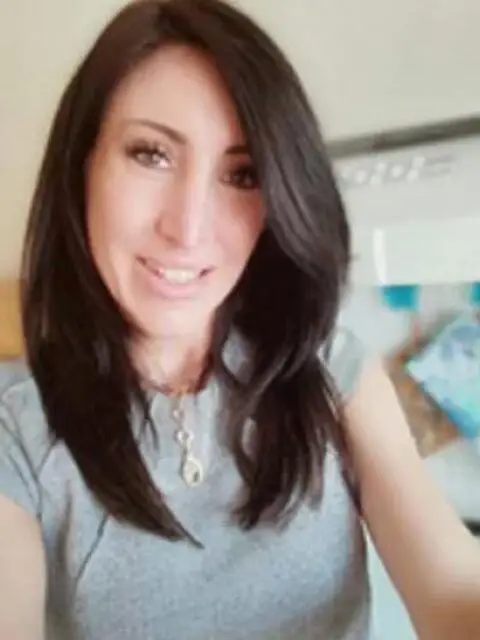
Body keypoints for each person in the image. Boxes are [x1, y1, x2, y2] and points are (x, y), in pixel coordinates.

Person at [0, 1, 479, 638]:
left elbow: (452, 588)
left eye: (242, 173)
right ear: (82, 164)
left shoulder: (331, 371)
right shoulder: (16, 430)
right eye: (151, 154)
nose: (188, 228)